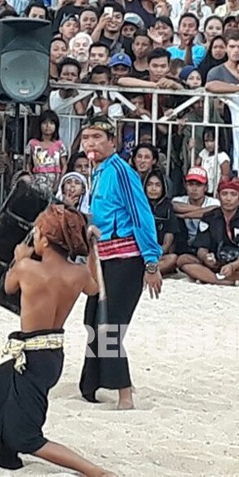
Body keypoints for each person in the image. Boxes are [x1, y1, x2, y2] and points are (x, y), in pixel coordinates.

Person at [0, 205, 116, 477]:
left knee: (26, 438)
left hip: (32, 357)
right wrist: (93, 248)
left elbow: (7, 287)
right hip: (51, 355)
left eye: (37, 233)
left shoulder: (27, 268)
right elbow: (95, 288)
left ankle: (95, 471)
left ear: (46, 240)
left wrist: (18, 257)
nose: (34, 237)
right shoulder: (78, 274)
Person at [78, 115, 162, 410]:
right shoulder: (98, 171)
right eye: (87, 138)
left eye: (97, 138)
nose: (91, 143)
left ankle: (124, 392)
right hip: (103, 257)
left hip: (126, 259)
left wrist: (152, 263)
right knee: (92, 320)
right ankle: (92, 385)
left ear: (112, 142)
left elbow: (141, 215)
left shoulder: (121, 171)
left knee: (109, 326)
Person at [177, 178, 239, 285]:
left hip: (237, 265)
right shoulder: (208, 216)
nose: (228, 198)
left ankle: (209, 278)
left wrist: (233, 266)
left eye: (233, 194)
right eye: (224, 194)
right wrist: (206, 257)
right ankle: (223, 281)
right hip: (213, 263)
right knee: (183, 260)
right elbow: (201, 248)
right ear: (218, 196)